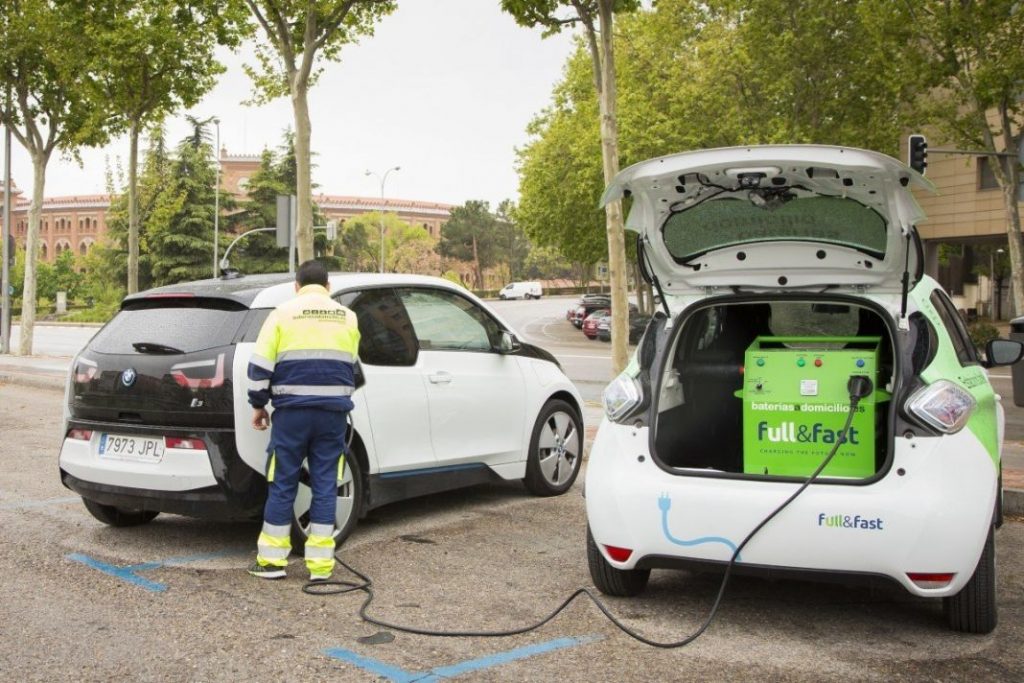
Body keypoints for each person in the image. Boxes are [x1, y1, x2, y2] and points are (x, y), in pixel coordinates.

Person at [246, 260, 361, 581]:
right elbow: (350, 364)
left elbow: (259, 367)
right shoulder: (348, 317)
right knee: (326, 484)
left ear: (296, 287)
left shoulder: (282, 314)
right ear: (328, 288)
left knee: (283, 483)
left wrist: (259, 406)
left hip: (292, 415)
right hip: (333, 416)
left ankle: (271, 563)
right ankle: (321, 567)